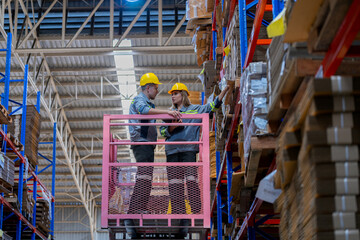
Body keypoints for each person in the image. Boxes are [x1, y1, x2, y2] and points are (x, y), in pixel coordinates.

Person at [160, 83, 229, 239]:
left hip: (189, 150)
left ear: (183, 94)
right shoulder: (170, 113)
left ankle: (197, 210)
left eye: (175, 93)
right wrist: (171, 127)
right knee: (175, 184)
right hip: (172, 151)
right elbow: (162, 130)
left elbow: (213, 105)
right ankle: (179, 214)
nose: (172, 96)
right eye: (172, 94)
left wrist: (225, 90)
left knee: (191, 180)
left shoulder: (196, 109)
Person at [125, 73, 181, 239]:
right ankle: (134, 210)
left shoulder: (148, 102)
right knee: (143, 177)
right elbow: (143, 111)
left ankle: (139, 208)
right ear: (148, 87)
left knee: (146, 177)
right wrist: (166, 113)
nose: (157, 90)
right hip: (141, 143)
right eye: (156, 87)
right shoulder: (139, 100)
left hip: (147, 144)